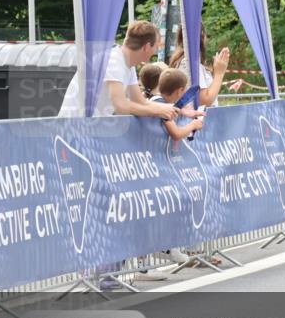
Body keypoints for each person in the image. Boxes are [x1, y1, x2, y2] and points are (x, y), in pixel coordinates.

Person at [57, 21, 186, 290]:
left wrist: (181, 111)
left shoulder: (126, 65)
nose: (154, 54)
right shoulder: (114, 60)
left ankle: (105, 271)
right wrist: (161, 112)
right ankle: (96, 272)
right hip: (76, 136)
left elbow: (141, 102)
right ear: (147, 45)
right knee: (98, 203)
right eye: (155, 48)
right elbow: (122, 105)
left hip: (93, 136)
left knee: (112, 202)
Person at [169, 25, 230, 108]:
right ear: (202, 35)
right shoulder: (190, 63)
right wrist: (219, 73)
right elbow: (204, 100)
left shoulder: (184, 61)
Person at [154, 69, 205, 140]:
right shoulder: (162, 106)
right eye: (184, 89)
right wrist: (193, 125)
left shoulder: (158, 101)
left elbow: (173, 107)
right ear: (179, 90)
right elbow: (176, 134)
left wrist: (184, 112)